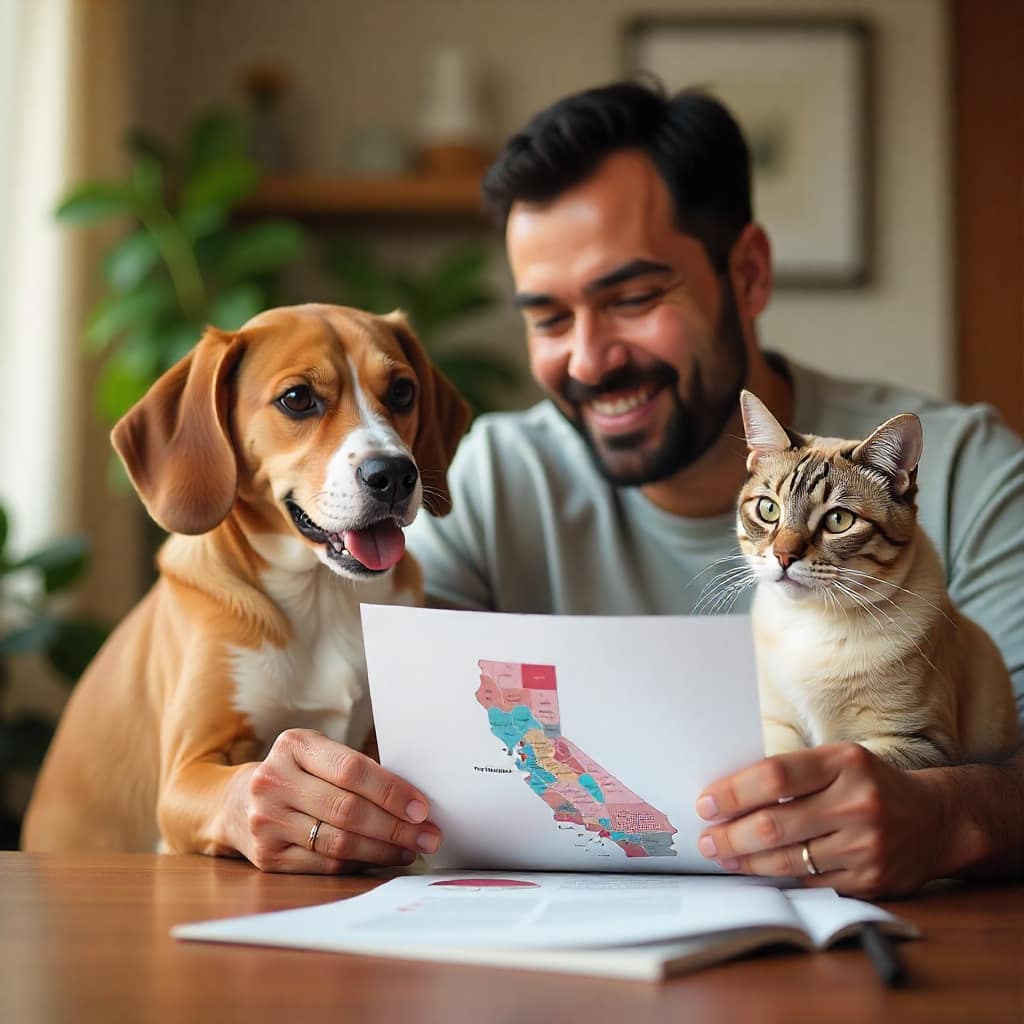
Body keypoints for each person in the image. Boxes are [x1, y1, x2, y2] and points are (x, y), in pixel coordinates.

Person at [229, 81, 1022, 894]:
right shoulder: (489, 482)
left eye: (634, 299)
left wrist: (948, 816)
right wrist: (250, 798)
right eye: (548, 318)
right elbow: (384, 731)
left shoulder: (969, 473)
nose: (586, 359)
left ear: (748, 275)